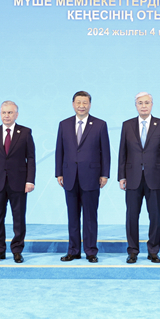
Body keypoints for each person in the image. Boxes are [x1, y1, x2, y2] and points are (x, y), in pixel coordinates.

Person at [55, 91, 110, 263]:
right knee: (72, 216)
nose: (81, 105)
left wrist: (105, 174)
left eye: (85, 102)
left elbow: (105, 152)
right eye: (78, 102)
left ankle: (91, 251)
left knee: (90, 217)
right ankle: (73, 250)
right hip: (69, 176)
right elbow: (59, 151)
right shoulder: (64, 124)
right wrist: (59, 172)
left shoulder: (100, 124)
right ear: (73, 104)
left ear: (90, 104)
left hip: (92, 177)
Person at [118, 92, 160, 264]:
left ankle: (153, 251)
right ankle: (133, 251)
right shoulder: (127, 125)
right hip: (133, 177)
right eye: (140, 103)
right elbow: (122, 152)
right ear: (135, 105)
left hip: (155, 177)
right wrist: (121, 176)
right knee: (131, 216)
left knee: (155, 216)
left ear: (152, 104)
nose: (143, 106)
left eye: (146, 102)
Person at [0, 101, 35, 263]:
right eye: (4, 113)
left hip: (19, 182)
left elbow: (31, 158)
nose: (7, 116)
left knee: (18, 217)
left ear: (16, 115)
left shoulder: (25, 132)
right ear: (0, 114)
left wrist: (30, 180)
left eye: (10, 113)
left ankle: (17, 250)